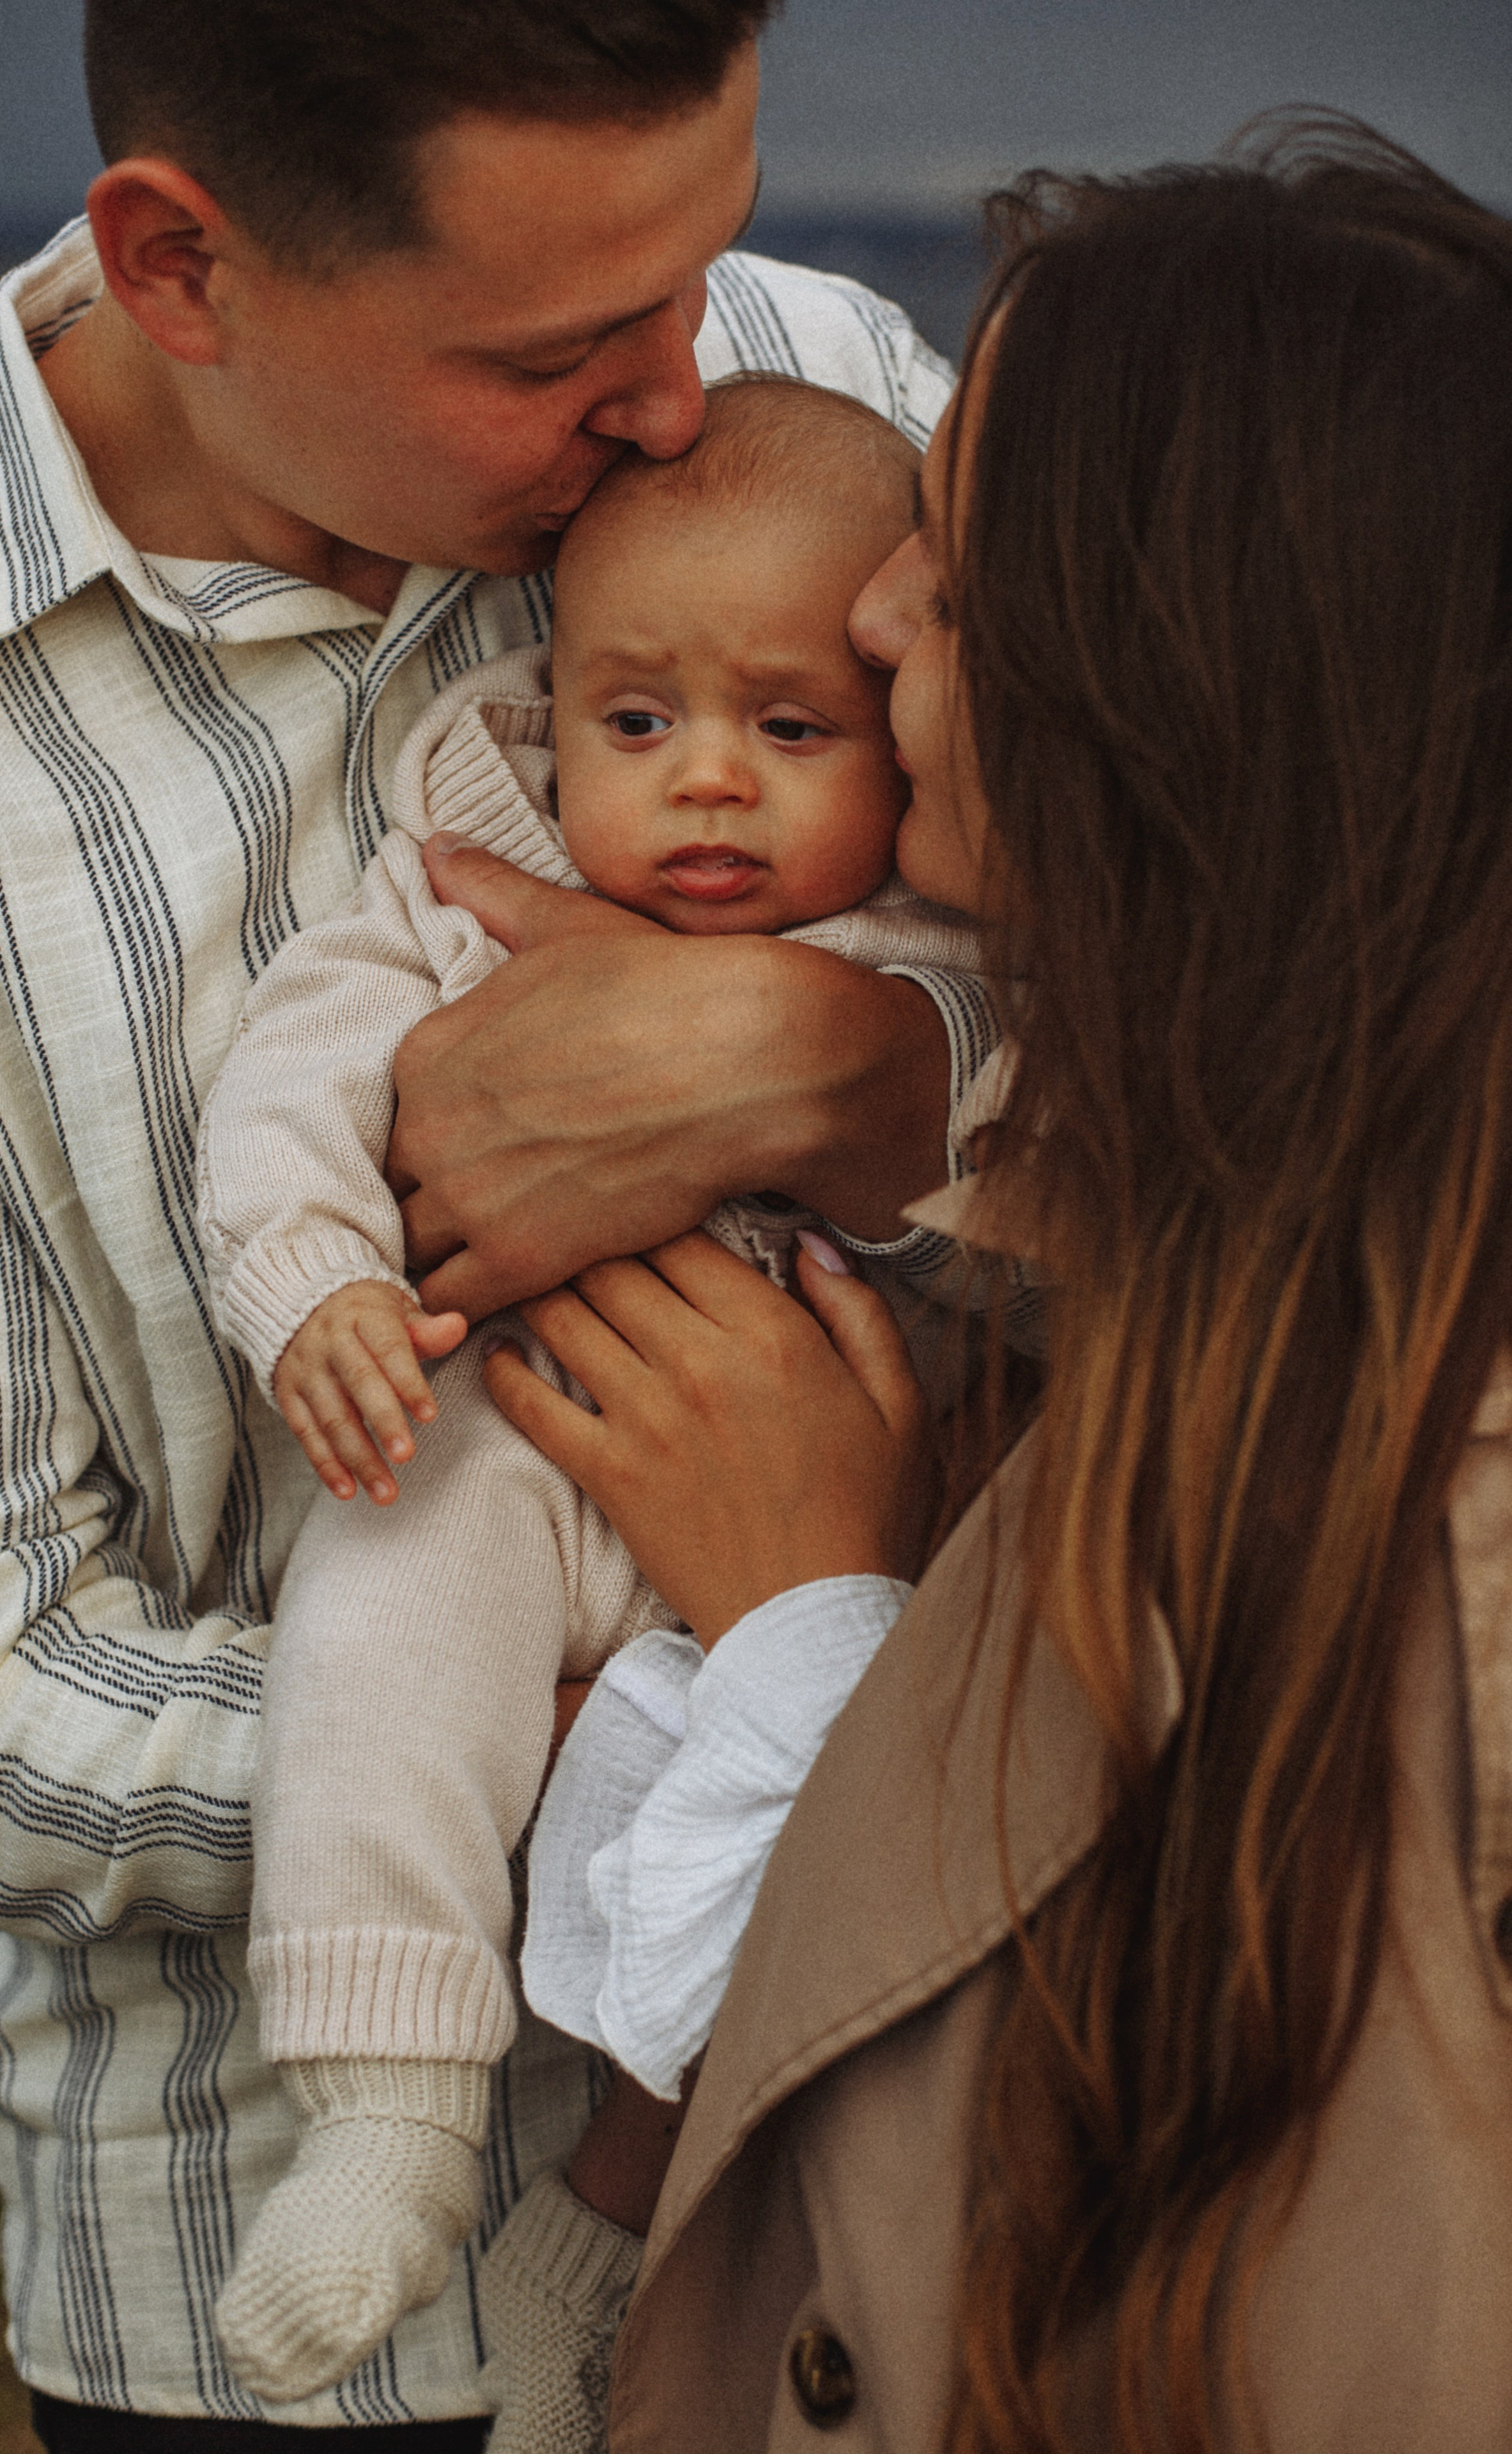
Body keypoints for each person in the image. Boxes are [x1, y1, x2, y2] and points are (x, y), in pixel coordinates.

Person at [0, 3, 969, 2443]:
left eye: (704, 260)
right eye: (562, 351)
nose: (682, 395)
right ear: (183, 266)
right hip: (271, 2299)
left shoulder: (831, 395)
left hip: (901, 2177)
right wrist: (633, 1739)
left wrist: (852, 1068)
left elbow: (1192, 1014)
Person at [472, 124, 1512, 2450]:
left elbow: (1126, 2205)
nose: (865, 614)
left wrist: (804, 1632)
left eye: (951, 566)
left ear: (1165, 681)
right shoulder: (1218, 1227)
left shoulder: (1442, 1513)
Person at [194, 373, 991, 2409]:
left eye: (792, 731)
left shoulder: (941, 937)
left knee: (812, 1856)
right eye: (639, 724)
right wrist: (313, 1281)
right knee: (383, 1611)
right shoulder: (474, 877)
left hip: (863, 1508)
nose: (707, 783)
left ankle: (609, 2250)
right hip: (523, 1455)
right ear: (556, 709)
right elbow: (299, 1067)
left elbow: (1047, 1142)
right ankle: (386, 2101)